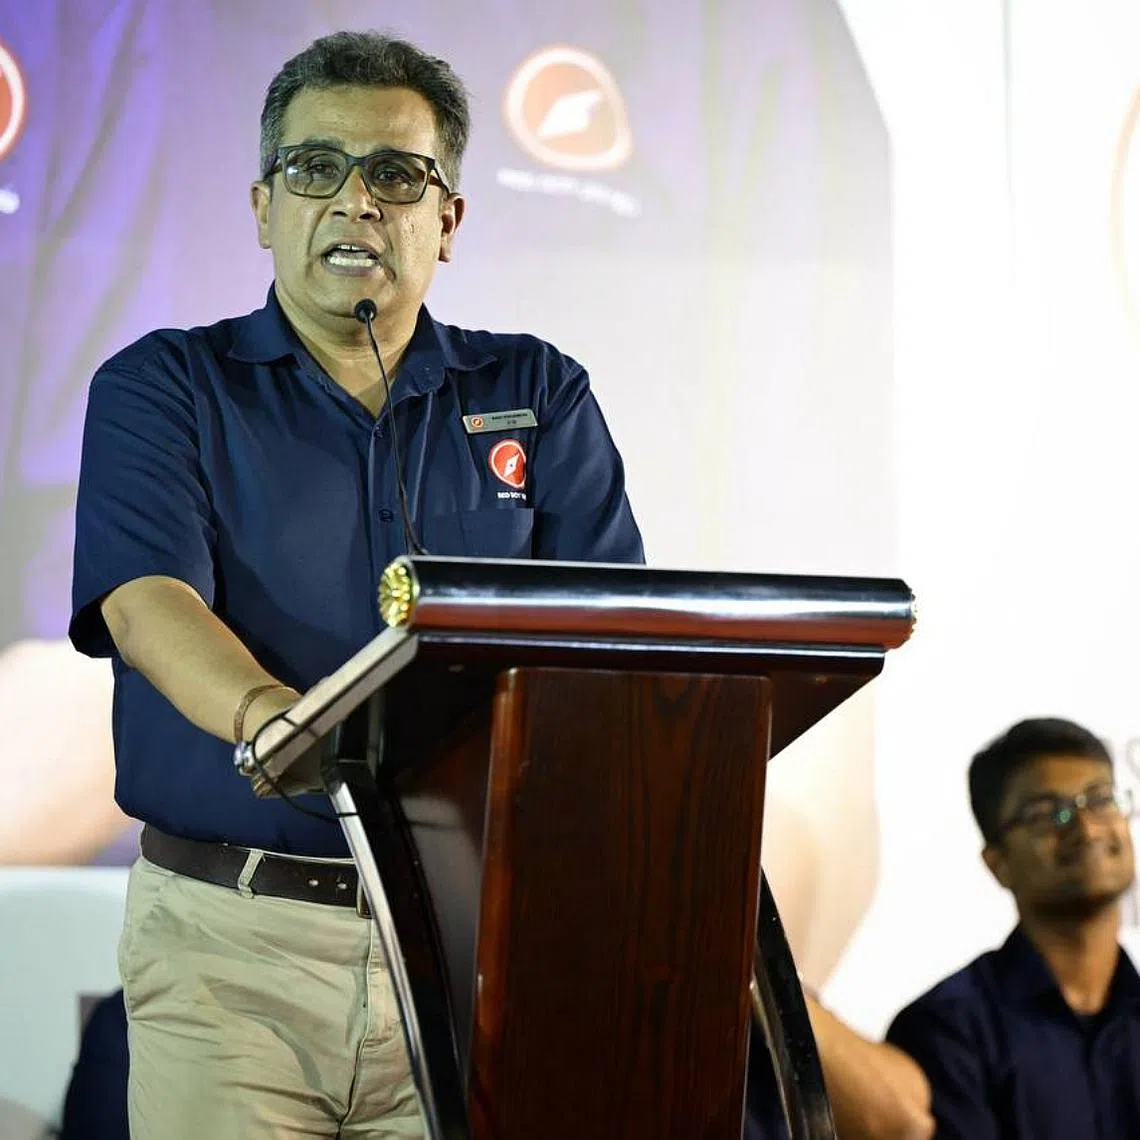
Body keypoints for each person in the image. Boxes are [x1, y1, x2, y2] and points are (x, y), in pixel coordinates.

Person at [68, 30, 642, 1139]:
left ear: (448, 218)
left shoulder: (536, 391)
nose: (355, 203)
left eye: (396, 174)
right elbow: (147, 602)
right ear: (263, 205)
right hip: (234, 950)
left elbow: (607, 641)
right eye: (314, 168)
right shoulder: (166, 386)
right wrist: (276, 725)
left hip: (475, 945)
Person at [886, 717, 1140, 1139]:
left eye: (1099, 800)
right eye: (1045, 813)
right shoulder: (948, 1031)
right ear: (997, 863)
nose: (1084, 827)